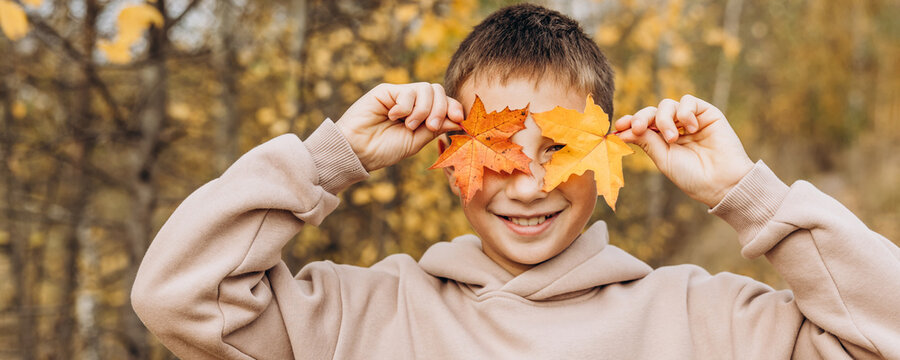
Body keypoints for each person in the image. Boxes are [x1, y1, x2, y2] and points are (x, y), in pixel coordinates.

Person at [131, 4, 900, 359]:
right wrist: (332, 159)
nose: (527, 186)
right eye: (496, 151)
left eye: (558, 150)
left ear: (606, 154)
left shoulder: (712, 322)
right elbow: (177, 296)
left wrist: (748, 194)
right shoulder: (349, 318)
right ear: (447, 154)